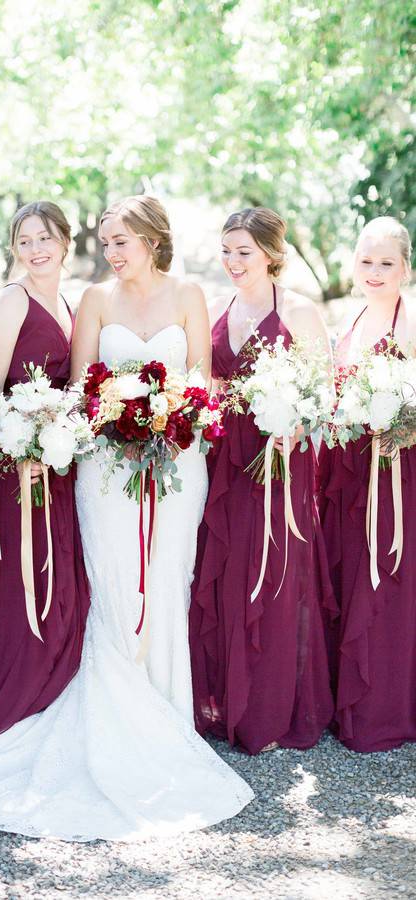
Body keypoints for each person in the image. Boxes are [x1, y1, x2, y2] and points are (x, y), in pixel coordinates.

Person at [0, 195, 253, 842]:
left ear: (151, 239)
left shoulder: (189, 295)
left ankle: (170, 718)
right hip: (106, 464)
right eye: (105, 241)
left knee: (168, 578)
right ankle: (118, 720)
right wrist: (118, 417)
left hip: (179, 462)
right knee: (116, 585)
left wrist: (173, 414)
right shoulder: (93, 300)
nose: (111, 253)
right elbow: (78, 385)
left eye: (121, 240)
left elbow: (203, 383)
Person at [190, 207, 334, 754]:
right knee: (227, 571)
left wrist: (297, 425)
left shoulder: (298, 311)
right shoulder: (215, 309)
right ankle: (227, 702)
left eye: (243, 252)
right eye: (226, 251)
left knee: (276, 576)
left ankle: (271, 708)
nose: (232, 262)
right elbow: (205, 384)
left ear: (272, 253)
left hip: (280, 458)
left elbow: (324, 394)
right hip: (228, 459)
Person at [0, 201, 89, 741]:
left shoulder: (69, 302)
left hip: (58, 465)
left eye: (44, 238)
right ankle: (19, 704)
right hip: (16, 469)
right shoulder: (9, 304)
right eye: (24, 241)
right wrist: (21, 449)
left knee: (60, 577)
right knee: (26, 583)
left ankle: (57, 693)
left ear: (65, 241)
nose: (36, 250)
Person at [318, 216, 416, 751]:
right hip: (349, 471)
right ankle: (347, 696)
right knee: (352, 570)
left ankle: (385, 706)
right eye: (365, 261)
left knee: (391, 581)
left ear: (406, 268)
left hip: (399, 471)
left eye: (386, 263)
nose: (374, 272)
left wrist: (400, 422)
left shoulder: (412, 319)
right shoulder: (351, 319)